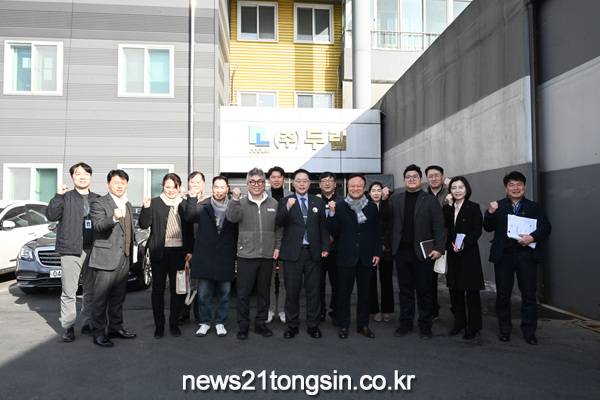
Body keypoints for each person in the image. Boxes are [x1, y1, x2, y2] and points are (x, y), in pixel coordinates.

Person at [483, 171, 551, 345]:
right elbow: (488, 227)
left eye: (519, 184)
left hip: (526, 256)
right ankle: (504, 330)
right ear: (506, 188)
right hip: (503, 256)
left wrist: (532, 237)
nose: (515, 188)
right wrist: (490, 212)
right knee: (503, 295)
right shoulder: (498, 205)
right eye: (511, 185)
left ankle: (529, 331)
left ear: (524, 187)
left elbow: (546, 227)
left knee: (528, 295)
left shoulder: (534, 207)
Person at [225, 167, 282, 340]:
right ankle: (243, 326)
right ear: (247, 184)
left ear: (265, 183)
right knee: (243, 294)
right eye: (252, 181)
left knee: (264, 293)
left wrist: (277, 246)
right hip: (246, 256)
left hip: (267, 255)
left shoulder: (273, 203)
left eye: (260, 181)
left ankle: (260, 324)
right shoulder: (240, 202)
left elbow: (279, 228)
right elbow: (231, 218)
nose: (256, 184)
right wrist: (234, 199)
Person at [390, 164, 445, 340]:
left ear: (420, 179)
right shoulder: (396, 200)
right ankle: (405, 324)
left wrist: (439, 248)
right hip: (402, 252)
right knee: (405, 291)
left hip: (423, 253)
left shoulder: (430, 200)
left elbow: (439, 226)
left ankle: (425, 326)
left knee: (424, 291)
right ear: (404, 180)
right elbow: (388, 224)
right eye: (408, 177)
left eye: (415, 176)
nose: (411, 179)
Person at [46, 162, 99, 342]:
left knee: (90, 290)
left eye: (85, 174)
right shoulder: (65, 197)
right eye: (78, 174)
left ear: (90, 177)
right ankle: (68, 326)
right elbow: (51, 215)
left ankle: (88, 322)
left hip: (93, 249)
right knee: (69, 291)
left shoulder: (97, 199)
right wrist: (58, 196)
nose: (82, 177)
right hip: (70, 250)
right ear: (72, 177)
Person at [276, 169, 329, 339]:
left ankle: (313, 325)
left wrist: (325, 247)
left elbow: (323, 227)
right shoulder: (285, 201)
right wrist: (287, 207)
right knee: (292, 292)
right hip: (292, 254)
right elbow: (278, 221)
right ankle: (292, 325)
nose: (301, 184)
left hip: (313, 253)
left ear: (309, 183)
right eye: (298, 181)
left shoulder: (317, 201)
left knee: (314, 291)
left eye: (304, 181)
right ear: (293, 183)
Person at [327, 174, 382, 339]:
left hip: (366, 256)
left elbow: (377, 232)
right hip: (345, 256)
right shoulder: (340, 206)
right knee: (343, 294)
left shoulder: (371, 207)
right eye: (352, 185)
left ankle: (363, 325)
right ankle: (343, 325)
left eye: (359, 185)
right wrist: (332, 213)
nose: (355, 188)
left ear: (364, 188)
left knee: (365, 294)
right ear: (347, 187)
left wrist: (377, 252)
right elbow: (333, 231)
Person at [138, 173, 192, 339]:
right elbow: (143, 224)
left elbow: (189, 230)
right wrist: (146, 207)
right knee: (158, 290)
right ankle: (159, 326)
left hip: (179, 254)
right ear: (163, 187)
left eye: (174, 187)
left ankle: (174, 324)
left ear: (179, 187)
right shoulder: (155, 203)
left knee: (178, 290)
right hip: (159, 253)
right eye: (167, 187)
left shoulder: (184, 204)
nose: (170, 190)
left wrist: (190, 251)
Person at [88, 169, 136, 347]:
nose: (119, 186)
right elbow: (98, 226)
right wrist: (114, 217)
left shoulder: (128, 204)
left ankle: (116, 328)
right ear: (108, 184)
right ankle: (98, 333)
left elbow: (129, 231)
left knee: (118, 297)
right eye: (116, 183)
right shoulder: (99, 202)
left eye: (123, 183)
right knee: (100, 299)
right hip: (105, 258)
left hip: (124, 257)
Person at [186, 176, 237, 338]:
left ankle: (220, 322)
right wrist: (192, 198)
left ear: (227, 189)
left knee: (224, 293)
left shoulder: (233, 206)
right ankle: (205, 322)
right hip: (205, 255)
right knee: (204, 294)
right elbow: (189, 217)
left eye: (222, 187)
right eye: (216, 187)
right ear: (212, 188)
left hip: (225, 255)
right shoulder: (203, 205)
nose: (219, 190)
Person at [443, 176, 484, 340]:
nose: (457, 190)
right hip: (452, 254)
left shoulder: (473, 207)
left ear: (466, 189)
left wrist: (465, 244)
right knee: (455, 291)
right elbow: (444, 226)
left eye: (460, 187)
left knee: (471, 292)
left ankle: (474, 326)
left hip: (469, 254)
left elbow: (477, 230)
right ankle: (459, 323)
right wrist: (448, 206)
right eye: (454, 188)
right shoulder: (448, 207)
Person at [179, 171, 206, 323]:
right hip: (187, 246)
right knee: (186, 281)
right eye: (192, 182)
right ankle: (184, 312)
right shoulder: (183, 202)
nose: (195, 184)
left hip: (203, 247)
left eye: (198, 182)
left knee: (200, 282)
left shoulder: (209, 201)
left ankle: (199, 313)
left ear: (203, 184)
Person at [367, 182, 394, 323]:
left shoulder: (389, 205)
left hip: (386, 248)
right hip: (370, 248)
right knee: (370, 280)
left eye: (379, 190)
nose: (376, 193)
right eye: (373, 190)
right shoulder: (365, 206)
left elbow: (390, 226)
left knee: (386, 280)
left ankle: (387, 310)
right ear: (369, 193)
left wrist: (385, 244)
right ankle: (374, 310)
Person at [266, 166, 290, 324]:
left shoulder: (291, 195)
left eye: (279, 177)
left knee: (283, 280)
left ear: (283, 179)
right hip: (267, 242)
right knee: (267, 280)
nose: (276, 179)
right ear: (269, 179)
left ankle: (281, 309)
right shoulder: (263, 195)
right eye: (273, 177)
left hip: (287, 242)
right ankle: (270, 309)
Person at [425, 165, 449, 320]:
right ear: (427, 179)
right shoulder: (423, 195)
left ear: (442, 177)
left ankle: (458, 315)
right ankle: (432, 311)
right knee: (429, 280)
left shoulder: (450, 193)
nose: (434, 178)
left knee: (452, 280)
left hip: (448, 241)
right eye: (430, 176)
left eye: (437, 175)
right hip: (429, 243)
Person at [318, 171, 339, 321]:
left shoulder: (343, 201)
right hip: (318, 249)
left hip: (336, 249)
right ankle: (320, 311)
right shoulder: (314, 201)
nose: (327, 183)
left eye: (330, 180)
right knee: (318, 284)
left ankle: (336, 311)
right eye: (324, 181)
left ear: (335, 184)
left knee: (337, 283)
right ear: (319, 185)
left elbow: (345, 224)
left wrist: (333, 237)